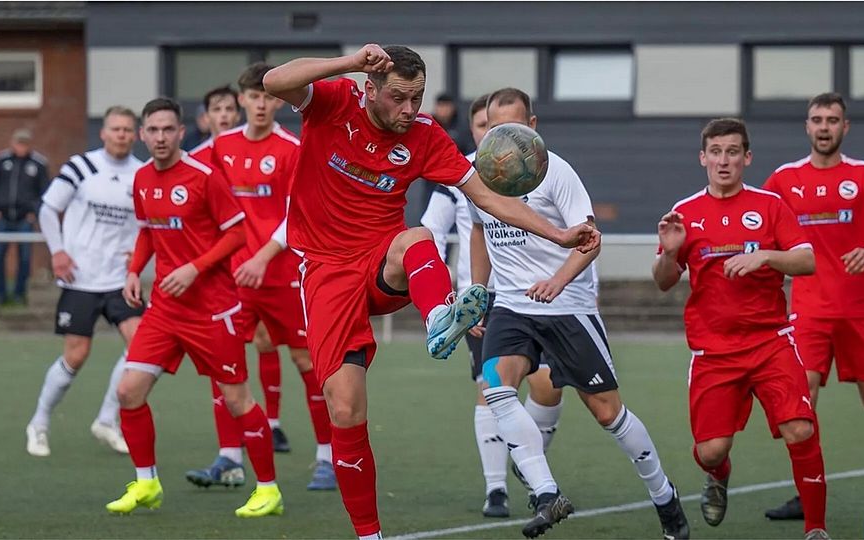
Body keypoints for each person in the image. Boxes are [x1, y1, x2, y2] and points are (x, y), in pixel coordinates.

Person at [264, 44, 598, 539]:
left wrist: (559, 234)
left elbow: (488, 197)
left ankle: (440, 316)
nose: (409, 109)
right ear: (370, 89)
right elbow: (274, 81)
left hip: (385, 262)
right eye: (398, 97)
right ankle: (370, 535)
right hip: (326, 272)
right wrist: (349, 63)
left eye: (417, 97)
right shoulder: (333, 102)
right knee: (346, 408)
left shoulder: (424, 135)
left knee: (417, 236)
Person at [469, 88, 688, 539]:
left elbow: (590, 240)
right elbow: (477, 230)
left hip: (567, 308)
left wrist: (558, 281)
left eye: (514, 126)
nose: (504, 138)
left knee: (609, 414)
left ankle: (664, 496)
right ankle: (546, 493)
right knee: (495, 384)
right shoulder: (479, 174)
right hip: (510, 305)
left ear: (532, 126)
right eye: (495, 128)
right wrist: (477, 291)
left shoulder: (557, 171)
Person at [653, 118, 829, 540]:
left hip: (771, 342)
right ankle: (719, 474)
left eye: (732, 152)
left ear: (746, 157)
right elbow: (663, 281)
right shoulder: (685, 212)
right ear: (703, 158)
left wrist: (766, 256)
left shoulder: (770, 205)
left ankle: (816, 528)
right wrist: (670, 254)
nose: (724, 160)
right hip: (713, 352)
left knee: (800, 429)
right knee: (711, 451)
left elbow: (807, 261)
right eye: (715, 152)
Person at [106, 97, 282, 518]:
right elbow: (148, 231)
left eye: (168, 129)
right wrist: (134, 271)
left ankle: (268, 489)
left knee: (237, 400)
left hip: (213, 310)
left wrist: (194, 268)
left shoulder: (204, 177)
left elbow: (237, 235)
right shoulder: (142, 178)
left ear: (181, 132)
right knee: (128, 391)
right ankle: (146, 483)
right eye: (153, 130)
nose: (161, 137)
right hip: (165, 308)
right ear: (143, 134)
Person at [762, 93, 864, 520]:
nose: (824, 127)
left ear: (844, 127)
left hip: (859, 309)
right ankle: (806, 495)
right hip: (808, 311)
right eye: (817, 119)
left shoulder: (863, 174)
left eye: (832, 120)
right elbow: (759, 225)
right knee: (803, 402)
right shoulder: (784, 179)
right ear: (807, 126)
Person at [185, 63, 336, 491]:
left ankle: (328, 457)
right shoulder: (220, 146)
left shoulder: (291, 148)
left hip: (282, 273)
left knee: (307, 362)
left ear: (279, 101)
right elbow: (195, 189)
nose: (262, 105)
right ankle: (229, 458)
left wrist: (263, 257)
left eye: (269, 97)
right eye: (254, 97)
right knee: (225, 363)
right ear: (242, 101)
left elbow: (297, 215)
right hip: (233, 278)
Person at [421, 93, 564, 519]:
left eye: (498, 125)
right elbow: (431, 230)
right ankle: (495, 488)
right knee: (492, 387)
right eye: (483, 126)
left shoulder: (536, 167)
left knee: (549, 386)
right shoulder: (458, 172)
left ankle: (527, 460)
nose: (491, 133)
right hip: (483, 298)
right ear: (474, 129)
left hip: (535, 293)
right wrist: (453, 294)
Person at [24, 107, 144, 458]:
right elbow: (48, 209)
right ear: (103, 133)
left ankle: (107, 419)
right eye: (115, 128)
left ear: (135, 135)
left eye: (127, 129)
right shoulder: (81, 167)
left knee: (141, 346)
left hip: (120, 279)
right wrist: (58, 252)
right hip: (81, 278)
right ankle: (39, 422)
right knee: (76, 355)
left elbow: (148, 224)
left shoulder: (143, 174)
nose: (121, 134)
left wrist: (138, 255)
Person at [0, 127, 48, 304]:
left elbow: (45, 192)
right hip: (2, 217)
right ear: (12, 143)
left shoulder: (38, 164)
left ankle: (19, 294)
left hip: (25, 219)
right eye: (19, 143)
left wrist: (34, 212)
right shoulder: (1, 161)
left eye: (25, 143)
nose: (22, 147)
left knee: (25, 257)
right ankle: (0, 294)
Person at [188, 86, 242, 165]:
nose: (223, 114)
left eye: (229, 109)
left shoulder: (252, 151)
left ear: (238, 116)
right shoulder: (194, 160)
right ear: (206, 117)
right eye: (217, 109)